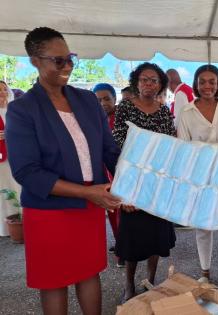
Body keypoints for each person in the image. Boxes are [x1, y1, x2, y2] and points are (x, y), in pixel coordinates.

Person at [5, 27, 121, 315]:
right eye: (58, 61)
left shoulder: (87, 100)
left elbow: (109, 150)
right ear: (35, 61)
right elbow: (27, 172)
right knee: (54, 281)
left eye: (70, 58)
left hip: (90, 204)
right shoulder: (23, 109)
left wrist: (129, 182)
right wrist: (87, 193)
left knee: (89, 272)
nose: (67, 66)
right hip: (49, 210)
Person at [113, 62, 176, 303]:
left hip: (157, 182)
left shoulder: (163, 111)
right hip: (132, 179)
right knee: (132, 237)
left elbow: (169, 143)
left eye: (154, 80)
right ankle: (129, 283)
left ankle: (150, 280)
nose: (149, 84)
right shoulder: (125, 108)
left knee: (156, 235)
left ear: (160, 85)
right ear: (136, 82)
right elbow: (118, 138)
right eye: (144, 79)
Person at [177, 64, 218, 295]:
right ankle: (204, 273)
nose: (207, 86)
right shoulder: (187, 112)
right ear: (196, 84)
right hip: (200, 178)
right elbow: (184, 147)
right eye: (202, 81)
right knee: (203, 228)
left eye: (212, 81)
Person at [92, 82, 124, 268]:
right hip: (100, 172)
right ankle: (119, 244)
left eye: (107, 99)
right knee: (110, 211)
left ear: (114, 99)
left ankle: (123, 250)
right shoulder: (91, 120)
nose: (103, 103)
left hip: (119, 170)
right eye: (98, 100)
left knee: (119, 209)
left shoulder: (121, 118)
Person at [0, 80, 21, 237]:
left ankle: (21, 219)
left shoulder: (15, 110)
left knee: (17, 186)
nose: (2, 93)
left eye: (4, 89)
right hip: (1, 157)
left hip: (16, 155)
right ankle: (4, 225)